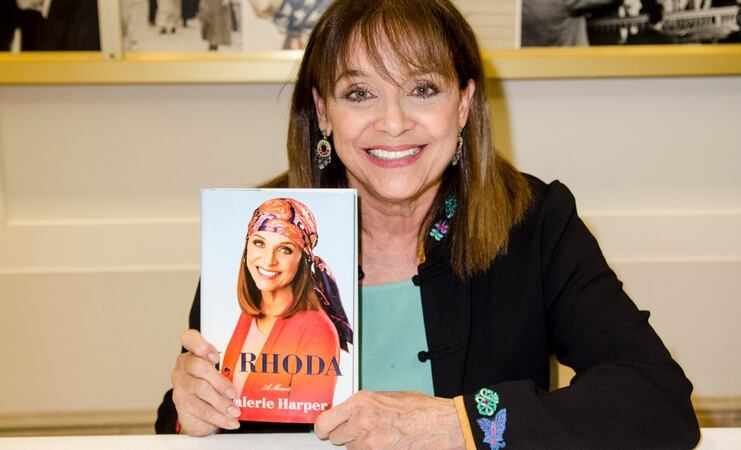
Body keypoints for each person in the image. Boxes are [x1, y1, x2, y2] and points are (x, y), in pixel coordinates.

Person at [158, 0, 701, 447]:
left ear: (463, 104)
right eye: (359, 93)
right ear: (323, 111)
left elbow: (655, 398)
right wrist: (192, 411)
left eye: (422, 89)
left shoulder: (535, 222)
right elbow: (179, 423)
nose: (393, 124)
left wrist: (457, 424)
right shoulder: (265, 229)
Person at [220, 197, 352, 423]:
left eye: (285, 249)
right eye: (259, 243)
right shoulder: (251, 313)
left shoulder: (317, 331)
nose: (268, 260)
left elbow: (304, 432)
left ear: (303, 259)